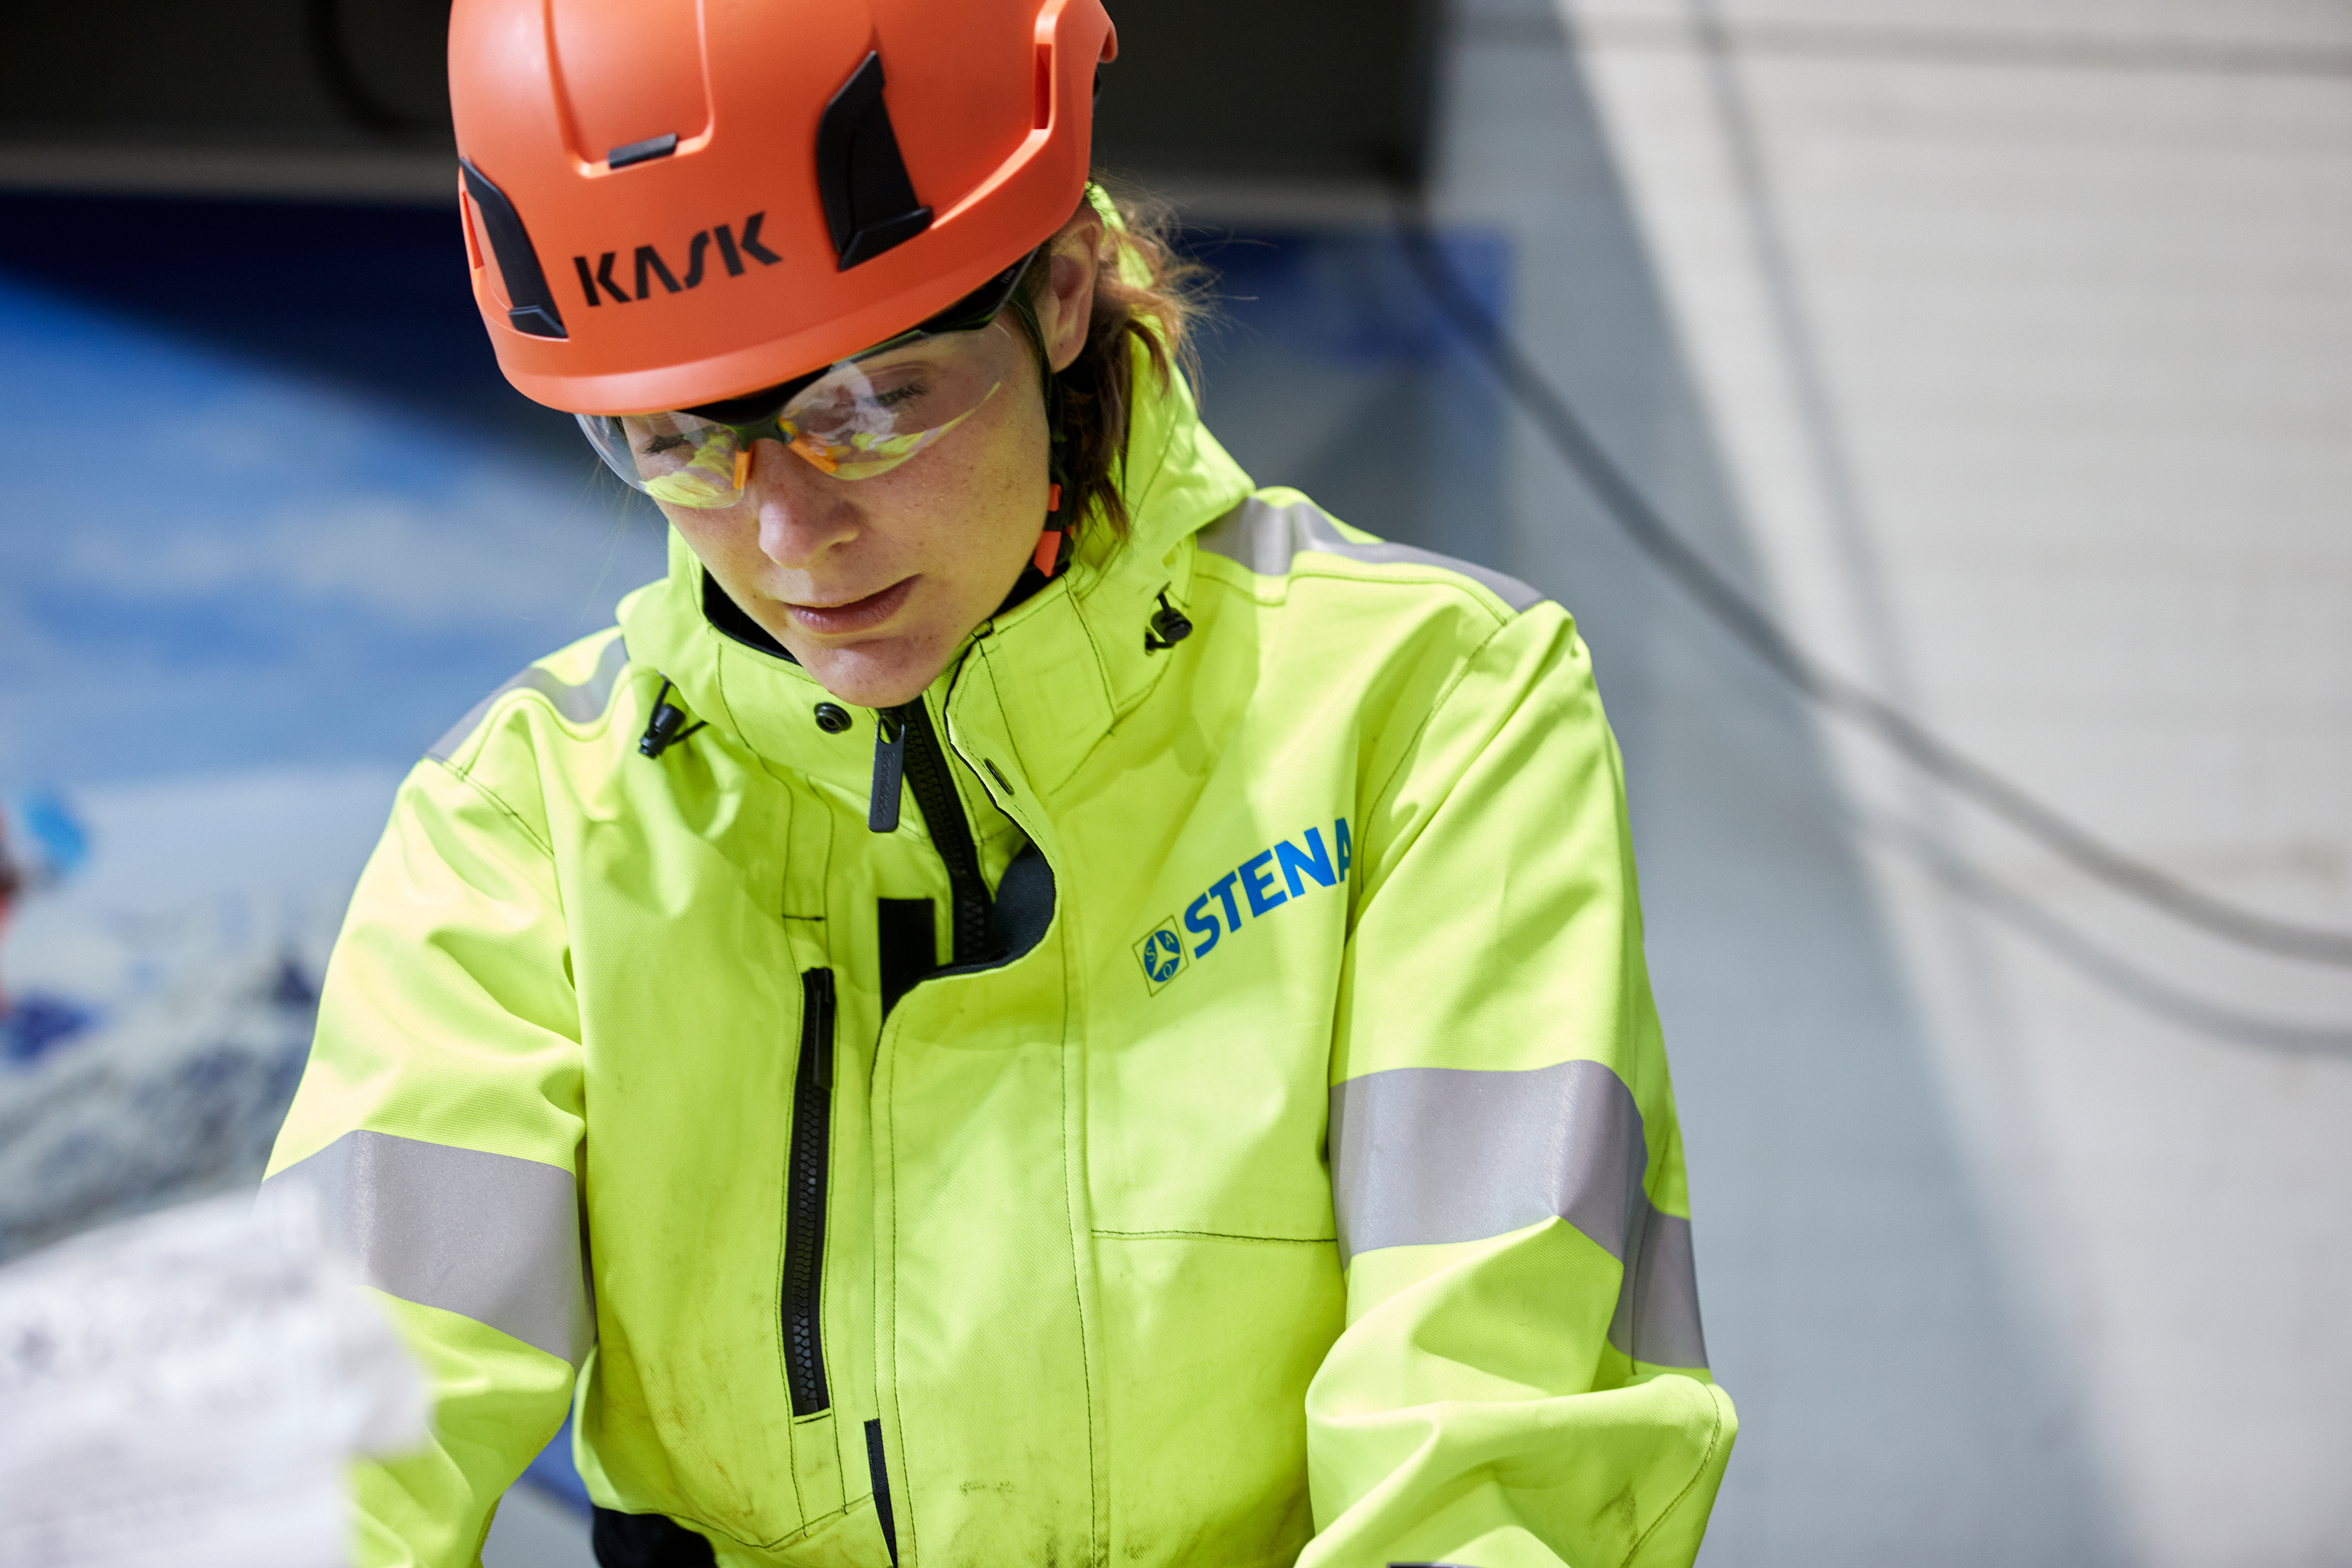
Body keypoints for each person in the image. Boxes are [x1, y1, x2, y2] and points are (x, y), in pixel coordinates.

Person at [264, 1, 1737, 1564]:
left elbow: (1491, 1452)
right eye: (681, 442)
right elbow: (325, 1459)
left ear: (1059, 293)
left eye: (871, 409)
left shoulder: (1430, 712)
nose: (789, 538)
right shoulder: (530, 821)